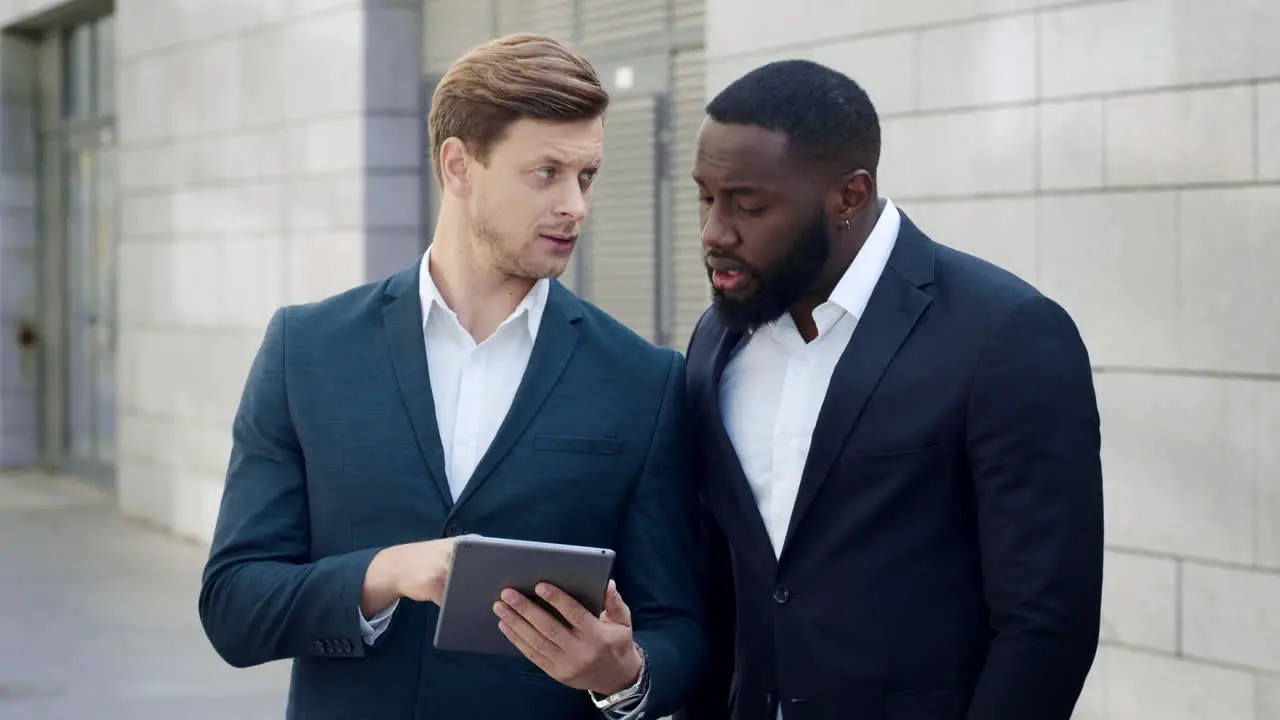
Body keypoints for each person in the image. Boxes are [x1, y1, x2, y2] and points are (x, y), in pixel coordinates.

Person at [198, 33, 707, 720]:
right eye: (546, 172)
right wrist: (390, 573)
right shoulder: (307, 350)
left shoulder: (642, 381)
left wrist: (625, 672)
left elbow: (682, 626)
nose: (575, 206)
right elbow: (234, 605)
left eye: (585, 176)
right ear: (458, 165)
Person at [677, 59, 1104, 720]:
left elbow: (1046, 627)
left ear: (849, 196)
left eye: (748, 204)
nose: (714, 232)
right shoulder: (716, 341)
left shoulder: (1007, 335)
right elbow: (726, 587)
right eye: (705, 197)